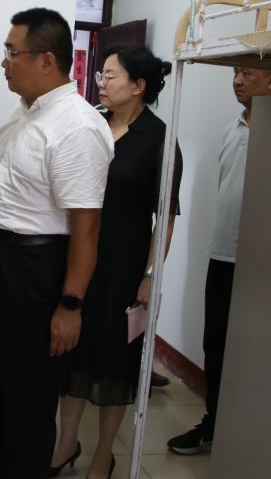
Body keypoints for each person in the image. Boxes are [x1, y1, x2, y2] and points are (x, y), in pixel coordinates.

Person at [0, 7, 114, 479]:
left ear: (46, 60)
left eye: (12, 52)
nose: (4, 61)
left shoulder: (77, 125)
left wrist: (70, 304)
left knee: (27, 395)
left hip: (32, 270)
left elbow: (87, 226)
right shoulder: (27, 113)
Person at [51, 46, 183, 479]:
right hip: (79, 256)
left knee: (115, 363)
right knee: (72, 353)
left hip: (124, 264)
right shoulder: (93, 123)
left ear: (139, 85)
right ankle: (65, 445)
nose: (101, 83)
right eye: (101, 75)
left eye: (110, 75)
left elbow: (165, 216)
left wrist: (149, 275)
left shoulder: (160, 139)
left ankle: (103, 456)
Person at [166, 66, 271, 455]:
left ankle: (250, 431)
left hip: (263, 264)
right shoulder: (233, 130)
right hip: (223, 253)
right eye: (235, 72)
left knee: (255, 349)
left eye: (247, 73)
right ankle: (215, 423)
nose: (237, 80)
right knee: (215, 345)